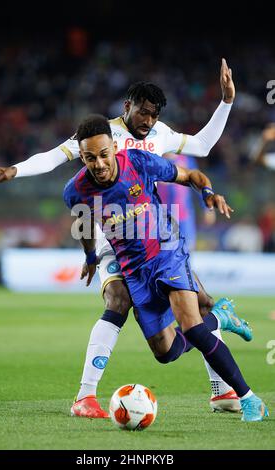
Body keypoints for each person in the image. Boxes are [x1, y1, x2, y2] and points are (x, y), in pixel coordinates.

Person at [0, 59, 240, 417]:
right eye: (143, 112)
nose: (148, 121)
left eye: (154, 114)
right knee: (117, 299)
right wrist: (12, 171)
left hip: (157, 239)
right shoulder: (101, 134)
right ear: (127, 107)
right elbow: (53, 158)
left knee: (201, 309)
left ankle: (222, 391)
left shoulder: (160, 134)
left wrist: (225, 102)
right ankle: (85, 396)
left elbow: (202, 147)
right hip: (112, 238)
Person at [63, 114, 268, 422]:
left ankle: (249, 398)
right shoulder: (75, 190)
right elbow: (84, 221)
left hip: (167, 251)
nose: (99, 164)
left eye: (104, 155)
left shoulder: (138, 162)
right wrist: (91, 257)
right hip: (135, 271)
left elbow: (190, 177)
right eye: (90, 158)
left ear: (113, 147)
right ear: (82, 156)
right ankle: (220, 317)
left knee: (192, 327)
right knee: (166, 352)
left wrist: (208, 194)